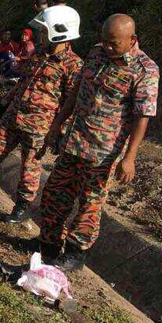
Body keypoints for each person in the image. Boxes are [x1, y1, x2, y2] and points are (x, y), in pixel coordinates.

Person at [37, 14, 159, 272]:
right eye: (104, 40)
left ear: (132, 39)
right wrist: (58, 123)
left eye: (114, 43)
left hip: (103, 153)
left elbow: (142, 116)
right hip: (74, 142)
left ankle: (74, 254)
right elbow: (77, 90)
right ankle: (47, 246)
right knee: (54, 194)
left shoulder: (145, 70)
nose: (108, 47)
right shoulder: (96, 53)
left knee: (89, 205)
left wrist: (130, 157)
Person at [0, 6, 84, 223]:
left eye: (44, 31)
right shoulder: (38, 54)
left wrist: (61, 130)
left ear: (59, 31)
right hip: (12, 117)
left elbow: (70, 103)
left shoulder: (73, 65)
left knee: (30, 168)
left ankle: (21, 209)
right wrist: (3, 103)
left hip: (39, 127)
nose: (40, 35)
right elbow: (22, 84)